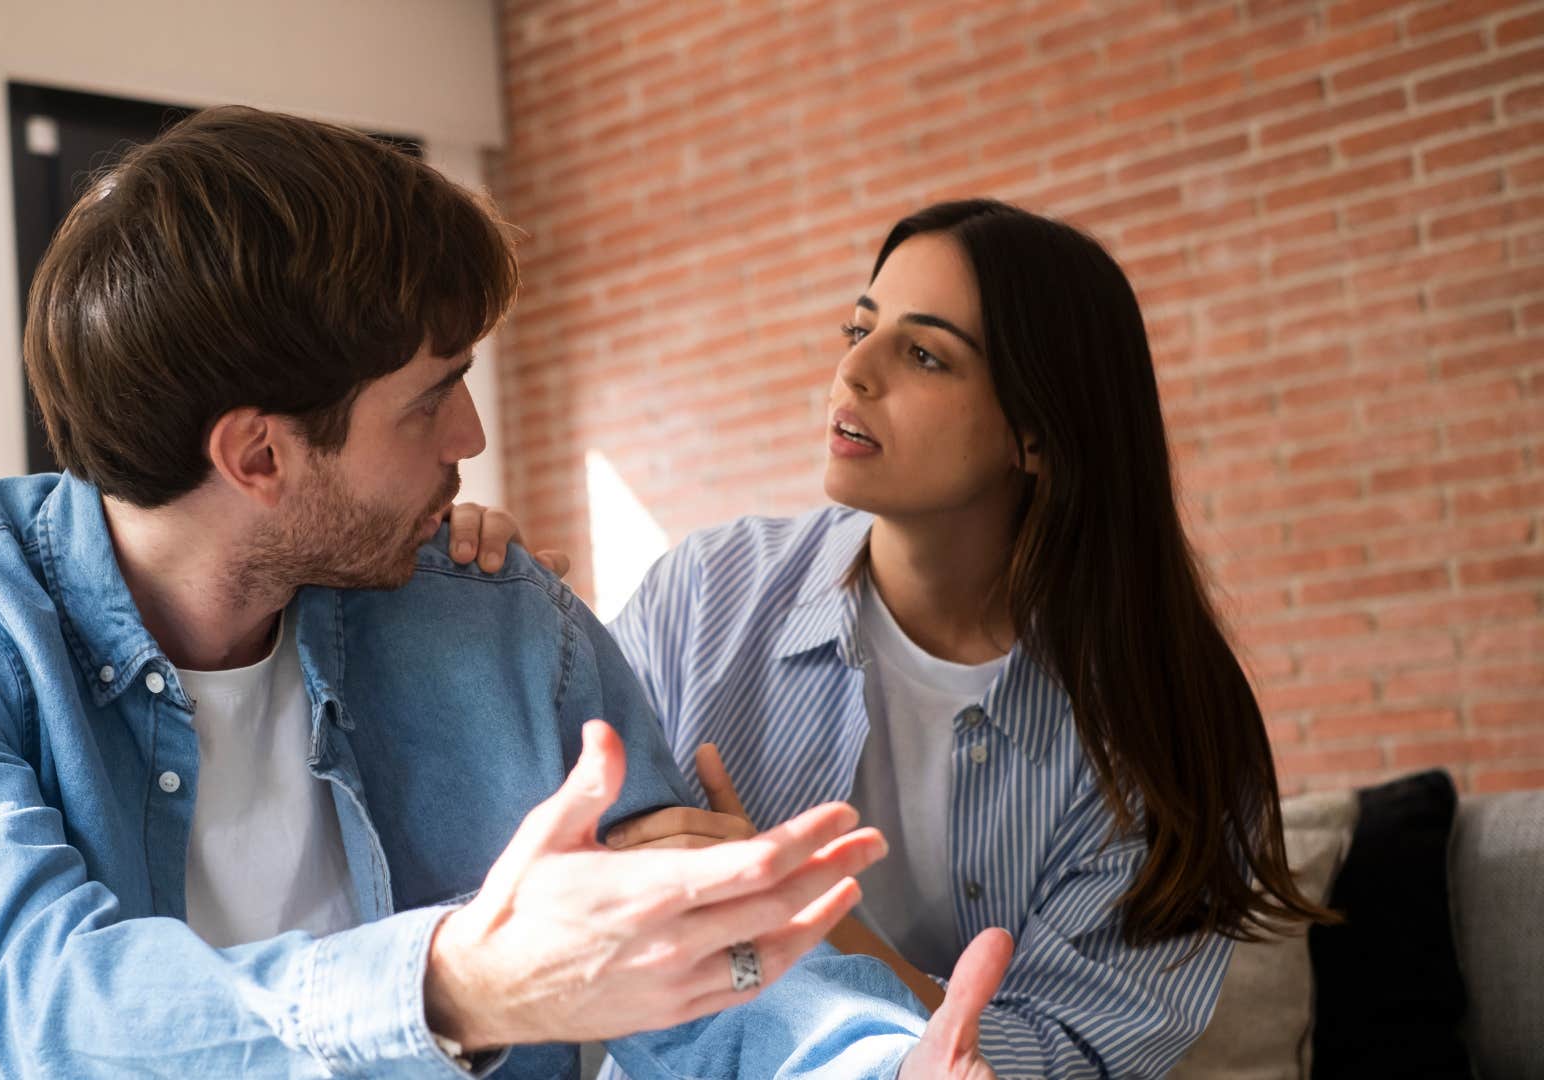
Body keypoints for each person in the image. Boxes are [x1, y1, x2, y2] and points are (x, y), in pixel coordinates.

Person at [0, 106, 1011, 1079]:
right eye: (433, 396)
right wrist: (462, 982)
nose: (473, 435)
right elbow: (41, 1009)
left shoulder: (491, 614)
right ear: (258, 458)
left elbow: (705, 978)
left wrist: (882, 1062)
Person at [453, 199, 1335, 1079]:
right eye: (858, 327)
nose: (854, 372)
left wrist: (792, 907)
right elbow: (525, 878)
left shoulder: (1163, 728)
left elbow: (1053, 1062)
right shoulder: (706, 594)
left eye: (924, 354)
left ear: (1038, 433)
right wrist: (488, 615)